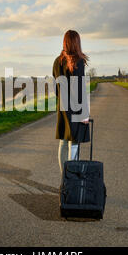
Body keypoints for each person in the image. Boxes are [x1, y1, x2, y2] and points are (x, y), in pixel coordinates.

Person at [52, 30, 90, 175]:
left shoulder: (57, 61)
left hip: (62, 106)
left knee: (63, 141)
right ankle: (71, 181)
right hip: (75, 108)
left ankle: (65, 179)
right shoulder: (78, 61)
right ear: (77, 42)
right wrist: (84, 114)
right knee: (73, 143)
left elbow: (56, 86)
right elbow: (79, 89)